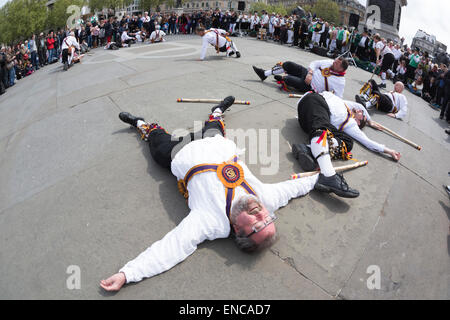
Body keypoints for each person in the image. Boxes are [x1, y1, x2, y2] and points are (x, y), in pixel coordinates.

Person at [100, 96, 320, 291]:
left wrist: (127, 274)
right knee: (215, 125)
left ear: (238, 231)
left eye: (257, 225)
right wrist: (322, 176)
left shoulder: (212, 223)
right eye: (268, 218)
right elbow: (295, 188)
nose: (262, 214)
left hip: (177, 153)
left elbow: (174, 246)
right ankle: (218, 110)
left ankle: (139, 123)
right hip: (212, 139)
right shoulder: (267, 199)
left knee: (155, 142)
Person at [292, 91, 401, 198]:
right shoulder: (348, 105)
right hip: (314, 101)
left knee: (348, 143)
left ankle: (308, 149)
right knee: (322, 125)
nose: (360, 111)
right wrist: (370, 121)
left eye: (362, 114)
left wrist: (389, 151)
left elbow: (367, 141)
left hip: (311, 122)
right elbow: (360, 106)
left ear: (359, 122)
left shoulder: (351, 124)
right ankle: (329, 175)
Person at [252, 57, 348, 98]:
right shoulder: (330, 62)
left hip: (309, 86)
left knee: (288, 79)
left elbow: (338, 97)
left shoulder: (340, 81)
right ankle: (264, 74)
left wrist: (322, 96)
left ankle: (283, 78)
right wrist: (310, 73)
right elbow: (315, 63)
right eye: (335, 60)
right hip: (306, 72)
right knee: (288, 64)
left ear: (340, 69)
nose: (333, 62)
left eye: (336, 63)